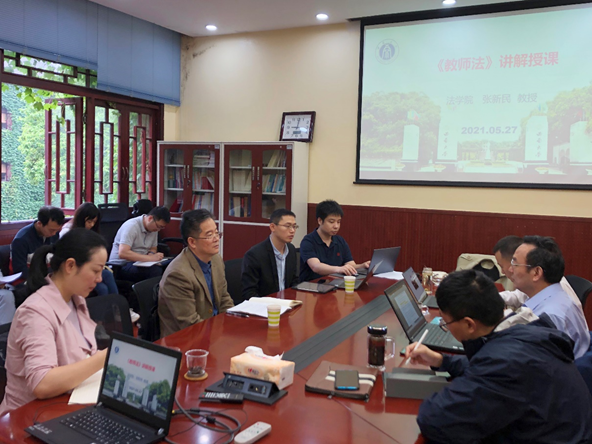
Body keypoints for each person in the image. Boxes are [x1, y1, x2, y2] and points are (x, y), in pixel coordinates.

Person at [406, 269, 592, 444]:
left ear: (469, 325)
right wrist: (442, 361)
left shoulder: (505, 362)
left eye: (446, 323)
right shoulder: (525, 331)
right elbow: (491, 367)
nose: (446, 327)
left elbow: (435, 419)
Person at [0, 229, 108, 415]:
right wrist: (104, 358)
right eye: (96, 271)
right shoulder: (36, 312)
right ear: (70, 266)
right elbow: (42, 384)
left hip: (63, 403)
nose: (99, 279)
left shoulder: (76, 299)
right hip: (26, 417)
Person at [508, 235, 589, 358]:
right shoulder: (556, 297)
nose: (510, 269)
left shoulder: (547, 318)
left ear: (536, 273)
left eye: (515, 263)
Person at [158, 209, 234, 337]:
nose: (216, 239)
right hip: (186, 339)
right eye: (209, 235)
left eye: (217, 233)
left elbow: (224, 299)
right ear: (192, 242)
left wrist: (233, 322)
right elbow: (190, 324)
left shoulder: (215, 260)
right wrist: (221, 333)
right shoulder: (178, 274)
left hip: (214, 332)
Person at [493, 234, 582, 309]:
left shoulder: (551, 308)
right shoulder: (542, 285)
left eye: (514, 263)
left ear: (536, 272)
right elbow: (518, 296)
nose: (504, 271)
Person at [299, 200, 369, 282]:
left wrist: (363, 266)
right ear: (320, 221)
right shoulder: (308, 241)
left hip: (334, 284)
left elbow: (350, 265)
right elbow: (316, 266)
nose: (336, 226)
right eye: (331, 222)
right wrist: (339, 269)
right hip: (311, 286)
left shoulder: (340, 241)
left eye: (338, 222)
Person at [60, 202, 118, 296]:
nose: (91, 225)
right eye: (89, 222)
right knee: (103, 288)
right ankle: (108, 305)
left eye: (94, 222)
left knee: (108, 275)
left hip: (89, 267)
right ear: (81, 219)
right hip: (77, 270)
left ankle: (116, 303)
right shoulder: (67, 232)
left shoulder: (89, 231)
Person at [241, 209, 299, 299]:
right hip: (265, 305)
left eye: (294, 226)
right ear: (272, 227)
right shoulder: (255, 255)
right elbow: (249, 293)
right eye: (287, 226)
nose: (292, 231)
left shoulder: (291, 250)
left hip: (286, 303)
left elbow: (294, 282)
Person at [108, 206, 171, 282]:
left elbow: (153, 248)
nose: (158, 230)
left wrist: (151, 254)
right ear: (150, 218)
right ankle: (151, 290)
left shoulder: (153, 228)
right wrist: (150, 258)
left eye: (161, 228)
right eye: (159, 226)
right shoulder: (131, 226)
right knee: (154, 271)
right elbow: (123, 253)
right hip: (122, 265)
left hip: (141, 262)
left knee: (169, 265)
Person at [10, 206, 65, 279]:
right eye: (51, 230)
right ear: (39, 224)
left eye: (57, 230)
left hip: (47, 276)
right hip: (27, 278)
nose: (54, 233)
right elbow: (20, 271)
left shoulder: (54, 234)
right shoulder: (21, 240)